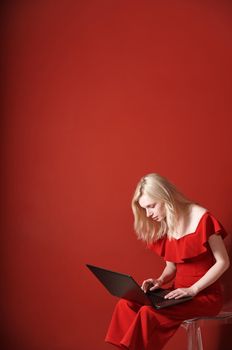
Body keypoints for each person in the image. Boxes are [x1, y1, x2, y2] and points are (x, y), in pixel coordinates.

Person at [105, 173, 230, 350]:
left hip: (204, 297)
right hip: (177, 295)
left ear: (165, 196)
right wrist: (160, 280)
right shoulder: (168, 222)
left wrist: (192, 290)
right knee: (125, 304)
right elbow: (171, 267)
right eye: (144, 209)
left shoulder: (202, 217)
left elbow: (223, 262)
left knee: (149, 313)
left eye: (151, 206)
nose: (148, 214)